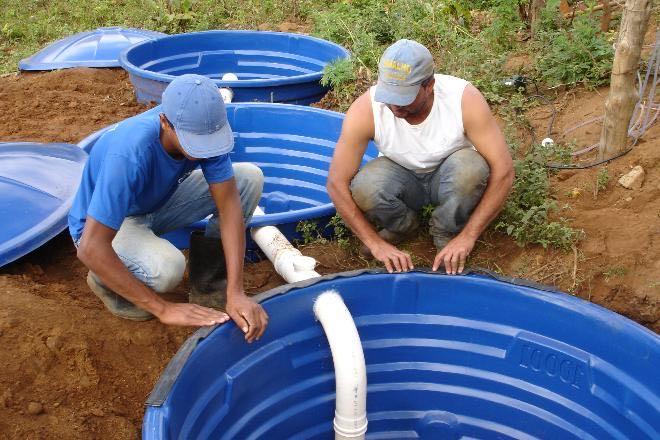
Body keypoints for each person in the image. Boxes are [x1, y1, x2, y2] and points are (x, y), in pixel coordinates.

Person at [68, 74, 268, 342]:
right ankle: (106, 281)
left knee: (248, 178)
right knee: (167, 269)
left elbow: (229, 206)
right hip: (107, 226)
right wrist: (163, 308)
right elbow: (91, 247)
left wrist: (236, 291)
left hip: (157, 201)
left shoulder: (205, 128)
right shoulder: (129, 154)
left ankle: (210, 284)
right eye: (195, 144)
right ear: (164, 122)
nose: (204, 151)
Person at [327, 39, 514, 275]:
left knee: (470, 170)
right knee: (366, 187)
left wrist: (469, 236)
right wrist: (375, 243)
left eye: (404, 98)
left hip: (450, 176)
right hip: (403, 177)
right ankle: (403, 225)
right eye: (390, 96)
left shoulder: (462, 99)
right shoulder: (367, 109)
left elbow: (504, 171)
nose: (395, 107)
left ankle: (446, 230)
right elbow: (336, 182)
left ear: (429, 85)